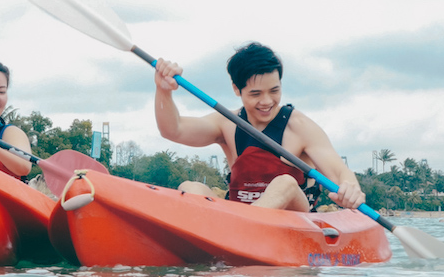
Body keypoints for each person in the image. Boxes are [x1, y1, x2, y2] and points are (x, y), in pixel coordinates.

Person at [153, 42, 364, 212]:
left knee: (285, 184)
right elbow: (173, 130)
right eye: (256, 94)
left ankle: (239, 229)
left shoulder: (299, 126)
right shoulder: (227, 123)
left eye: (274, 90)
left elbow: (339, 173)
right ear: (237, 89)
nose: (267, 101)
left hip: (294, 218)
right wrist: (164, 91)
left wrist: (350, 189)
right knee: (190, 187)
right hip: (238, 216)